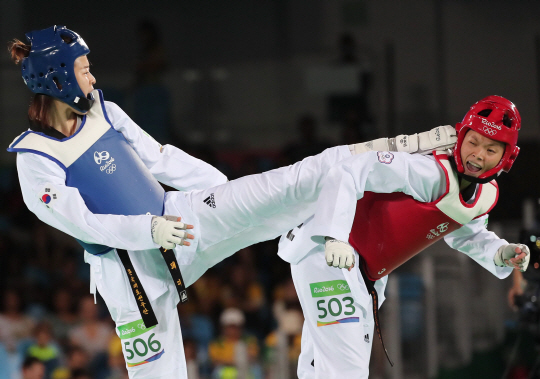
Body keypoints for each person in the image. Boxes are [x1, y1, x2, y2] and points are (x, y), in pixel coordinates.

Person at [7, 25, 456, 379]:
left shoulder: (104, 109)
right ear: (59, 76)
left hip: (180, 221)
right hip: (131, 276)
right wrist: (147, 230)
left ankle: (412, 154)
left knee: (305, 177)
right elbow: (82, 223)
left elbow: (159, 158)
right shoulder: (35, 158)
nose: (93, 76)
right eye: (84, 68)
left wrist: (219, 188)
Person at [277, 95, 531, 378]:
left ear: (507, 157)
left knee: (323, 369)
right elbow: (349, 169)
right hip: (328, 255)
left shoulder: (486, 194)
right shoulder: (428, 171)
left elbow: (466, 235)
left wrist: (500, 252)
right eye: (473, 142)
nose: (478, 155)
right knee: (345, 370)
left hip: (365, 275)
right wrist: (333, 235)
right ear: (460, 138)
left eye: (491, 149)